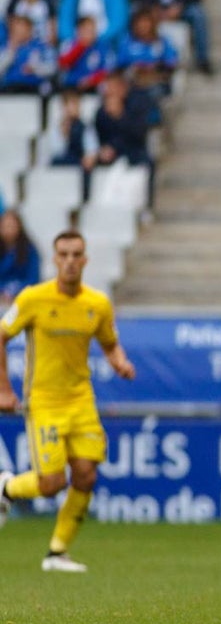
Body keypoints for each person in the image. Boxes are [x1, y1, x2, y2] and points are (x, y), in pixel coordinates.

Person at [0, 230, 137, 572]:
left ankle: (57, 553)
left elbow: (109, 342)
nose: (71, 262)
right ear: (54, 258)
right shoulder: (33, 299)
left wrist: (118, 361)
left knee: (86, 475)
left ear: (86, 260)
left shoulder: (97, 304)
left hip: (81, 400)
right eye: (64, 254)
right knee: (51, 484)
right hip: (44, 401)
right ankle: (7, 486)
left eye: (77, 255)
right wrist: (4, 389)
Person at [128, 0, 214, 75]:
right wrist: (152, 6)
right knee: (132, 10)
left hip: (181, 7)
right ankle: (130, 52)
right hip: (153, 7)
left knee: (198, 14)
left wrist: (180, 5)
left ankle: (202, 59)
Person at [57, 15, 115, 91]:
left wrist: (91, 80)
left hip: (94, 89)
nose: (92, 33)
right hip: (72, 87)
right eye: (87, 30)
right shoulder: (70, 45)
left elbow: (107, 70)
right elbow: (63, 64)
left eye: (93, 29)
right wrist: (81, 46)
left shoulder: (103, 47)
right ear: (79, 31)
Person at [0, 210, 41, 303]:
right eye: (4, 226)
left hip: (23, 298)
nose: (8, 230)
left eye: (11, 226)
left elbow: (33, 279)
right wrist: (3, 290)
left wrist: (14, 290)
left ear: (19, 227)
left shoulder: (30, 250)